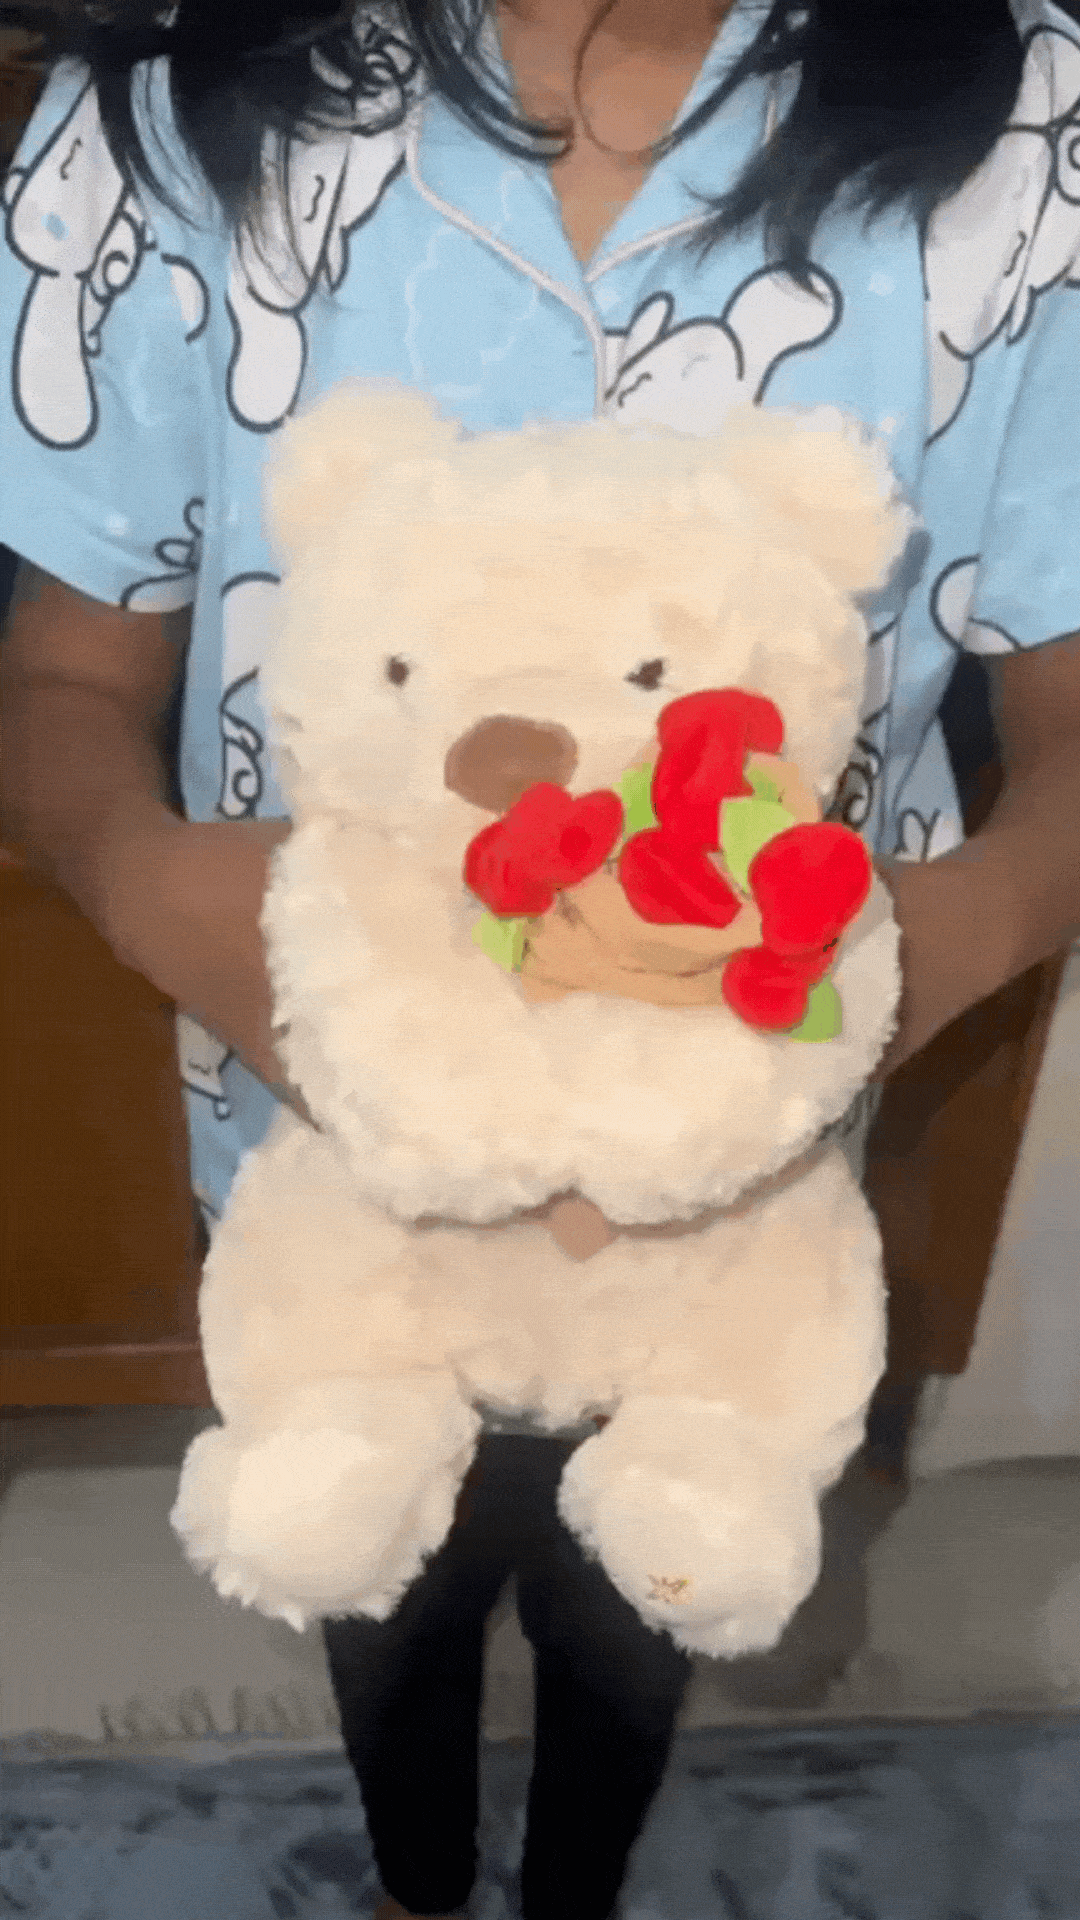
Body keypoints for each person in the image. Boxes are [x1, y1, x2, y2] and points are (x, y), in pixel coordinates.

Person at [2, 1, 1079, 1914]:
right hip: (325, 1148)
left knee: (644, 1594)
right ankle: (419, 1878)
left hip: (733, 1194)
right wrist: (171, 895)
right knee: (377, 1580)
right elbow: (68, 674)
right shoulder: (161, 124)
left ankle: (578, 1881)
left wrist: (886, 960)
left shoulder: (1031, 130)